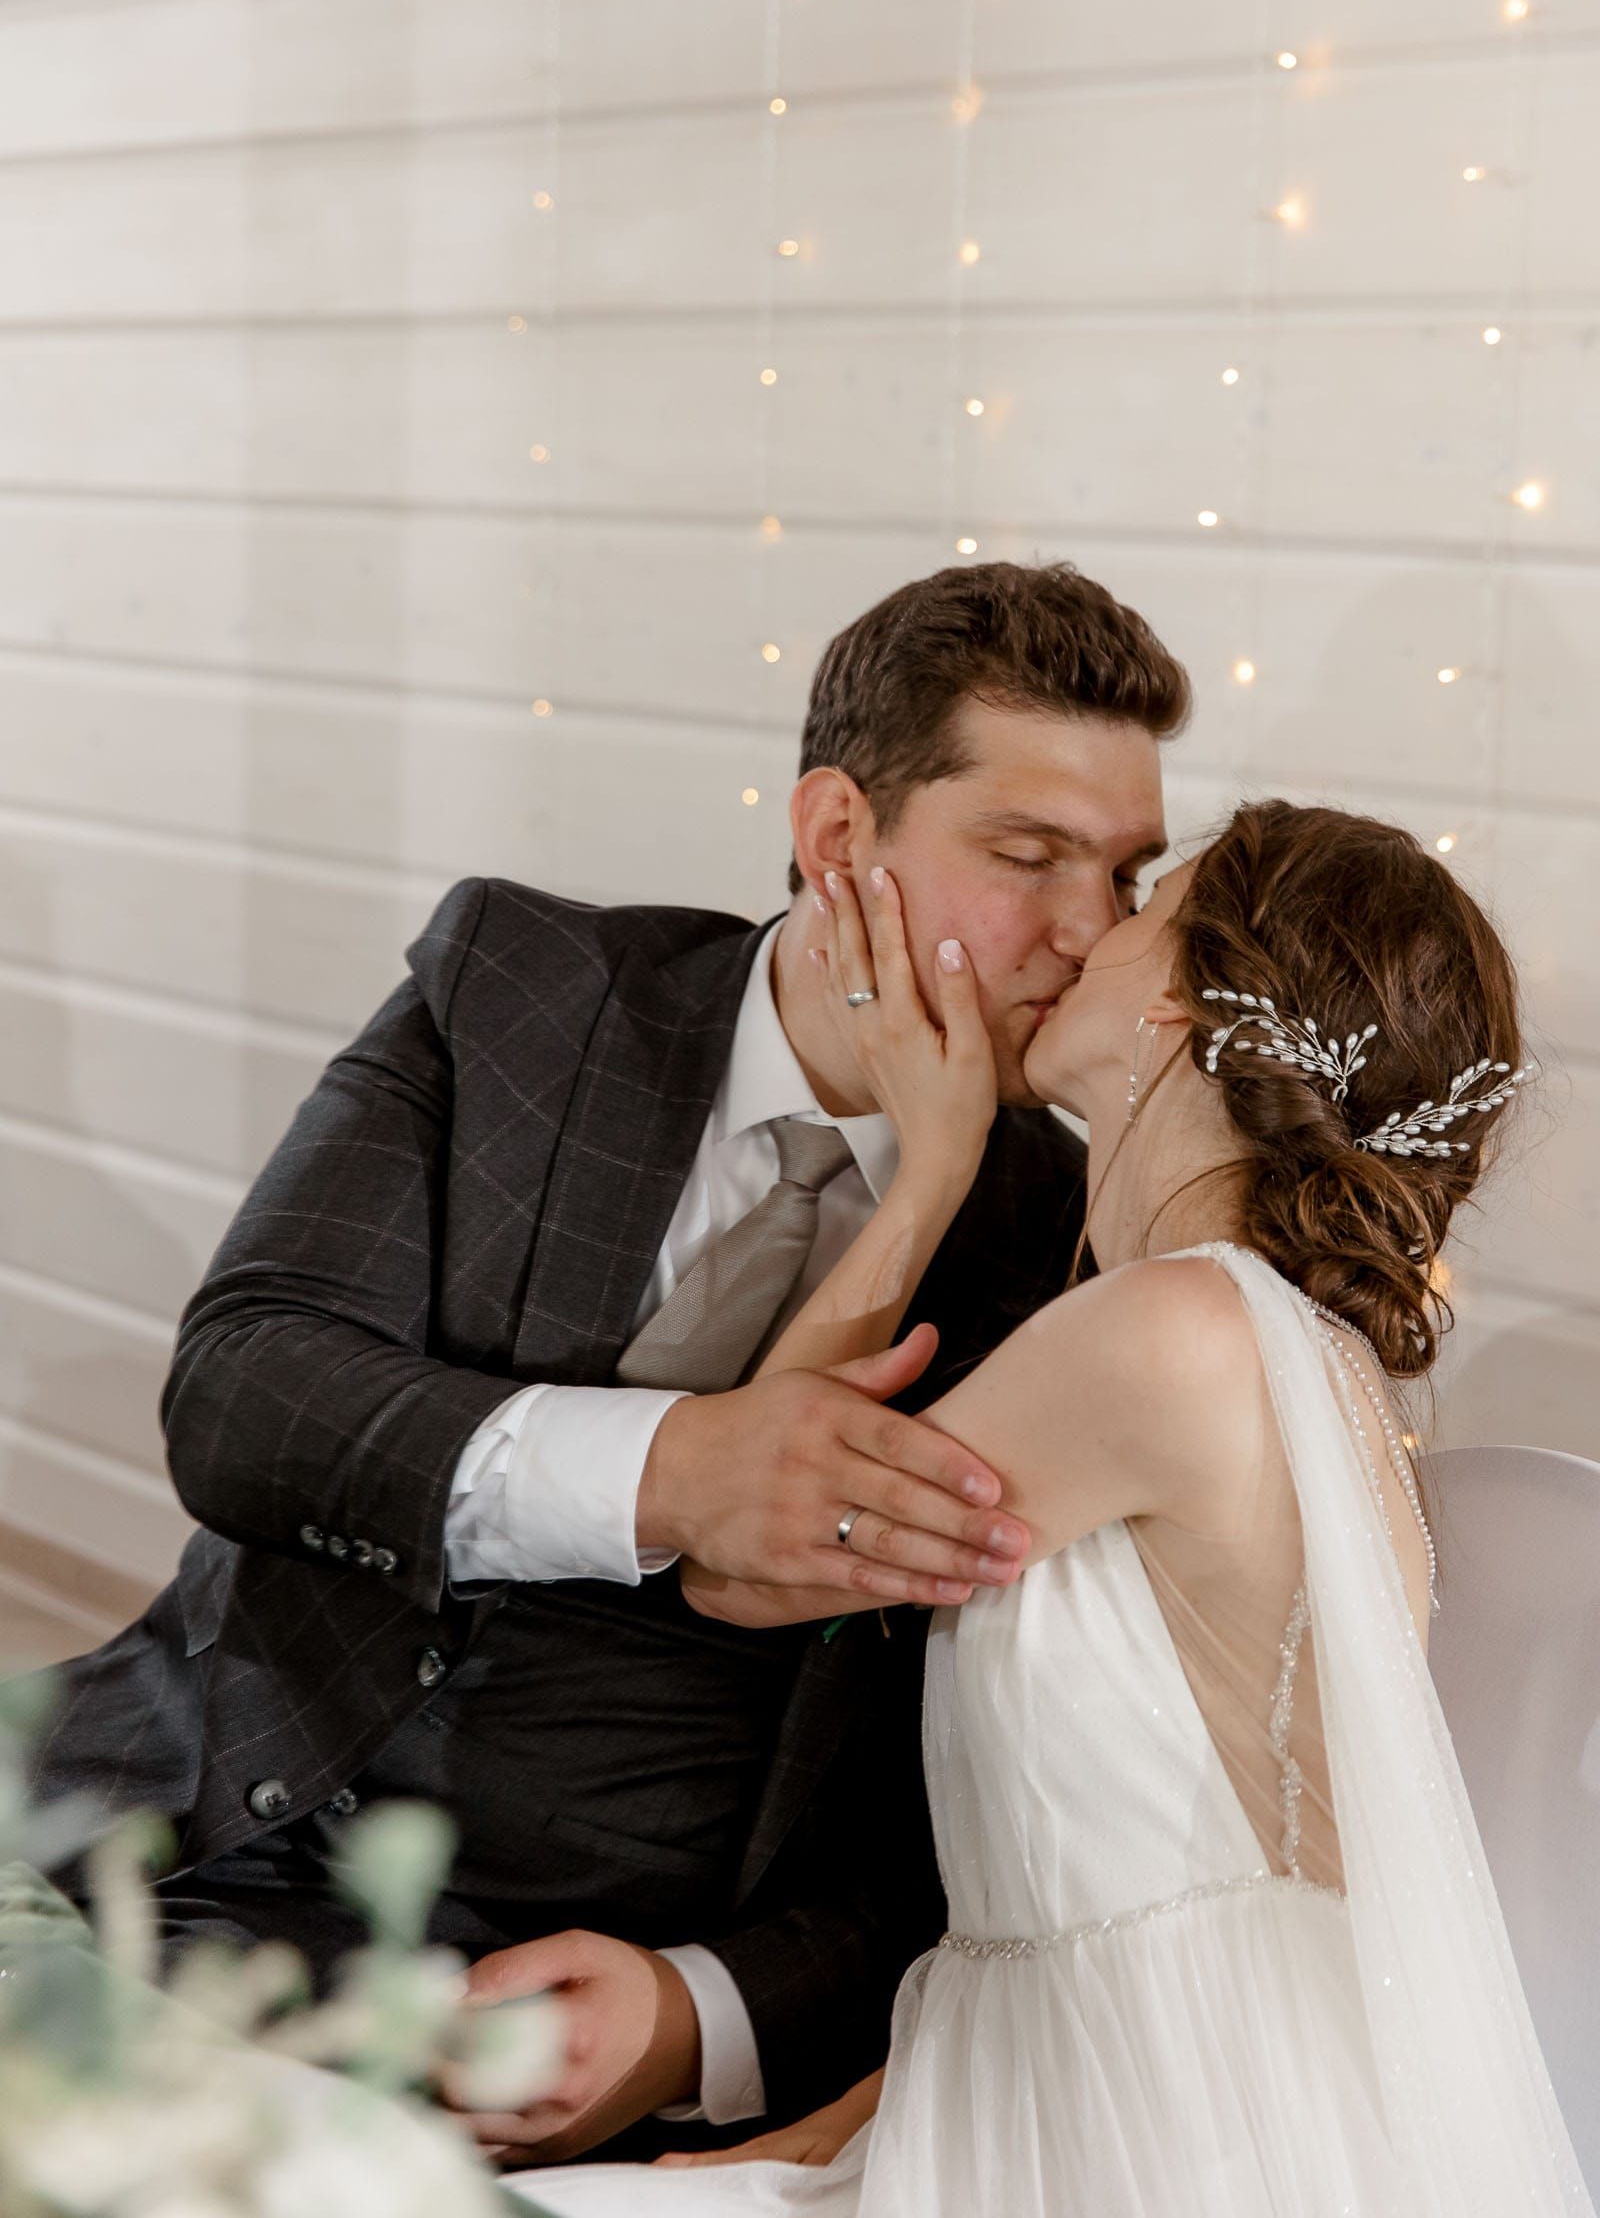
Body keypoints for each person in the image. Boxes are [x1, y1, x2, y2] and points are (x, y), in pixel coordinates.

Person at [26, 560, 1184, 2164]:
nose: (1085, 931)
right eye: (1028, 855)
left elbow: (999, 1806)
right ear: (839, 835)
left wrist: (697, 2011)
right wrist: (673, 1470)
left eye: (1126, 874)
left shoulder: (1076, 1250)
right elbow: (244, 1392)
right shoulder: (525, 992)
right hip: (159, 1807)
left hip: (525, 2006)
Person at [516, 798, 1594, 2215]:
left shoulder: (1168, 1333)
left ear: (1183, 1009)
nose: (1092, 930)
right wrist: (814, 2145)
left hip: (1151, 2158)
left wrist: (931, 1166)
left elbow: (741, 1554)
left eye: (1146, 902)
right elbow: (1104, 1922)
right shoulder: (1287, 1360)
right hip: (1146, 2107)